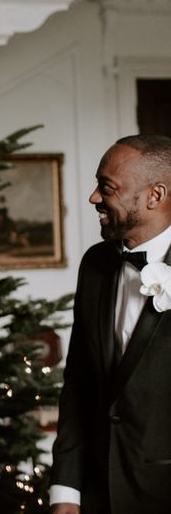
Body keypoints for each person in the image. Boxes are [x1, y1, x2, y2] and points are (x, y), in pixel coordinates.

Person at [50, 134, 171, 513]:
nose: (93, 198)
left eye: (107, 188)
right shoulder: (96, 264)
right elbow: (79, 382)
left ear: (155, 196)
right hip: (99, 493)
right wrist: (66, 491)